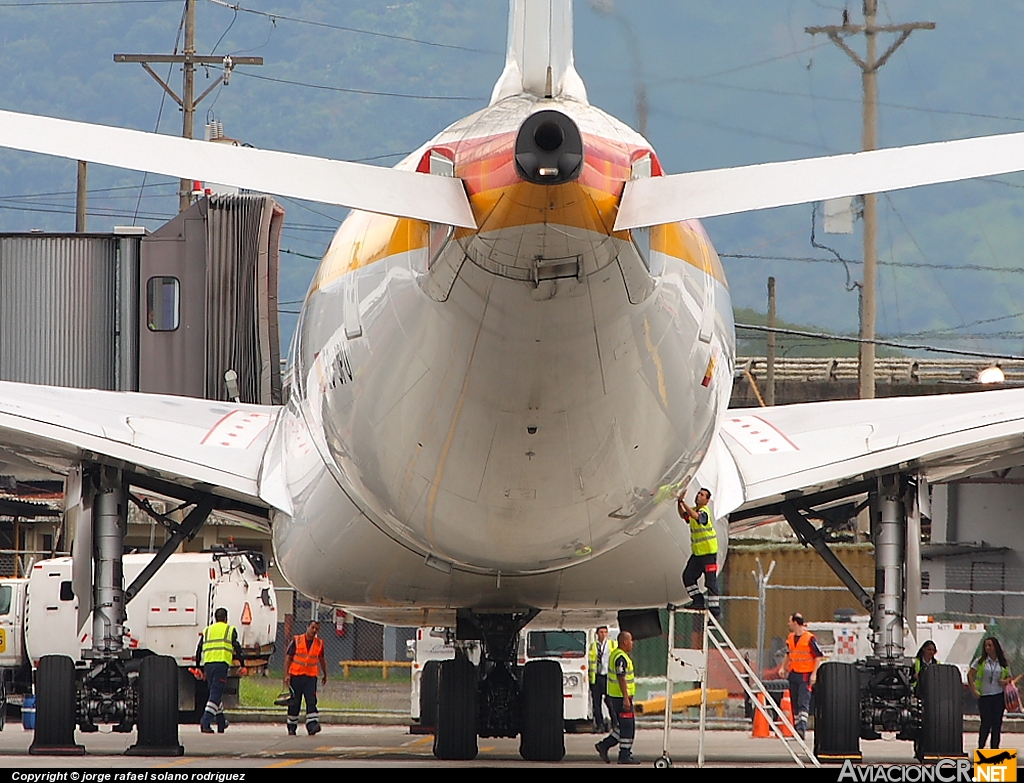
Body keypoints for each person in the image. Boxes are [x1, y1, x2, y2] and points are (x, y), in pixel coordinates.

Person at [195, 607, 245, 734]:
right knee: (215, 694)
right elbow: (237, 648)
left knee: (214, 692)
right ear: (226, 618)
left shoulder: (207, 630)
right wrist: (242, 663)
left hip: (208, 665)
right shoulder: (229, 630)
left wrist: (198, 666)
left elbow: (199, 648)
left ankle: (221, 721)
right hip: (221, 665)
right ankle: (205, 722)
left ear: (215, 618)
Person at [595, 631, 640, 765]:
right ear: (625, 642)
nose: (632, 643)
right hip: (621, 698)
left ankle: (604, 745)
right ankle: (624, 755)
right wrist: (626, 698)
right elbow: (621, 678)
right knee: (628, 727)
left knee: (622, 726)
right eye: (631, 640)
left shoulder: (617, 654)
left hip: (618, 697)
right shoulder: (620, 657)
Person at [677, 487, 721, 618]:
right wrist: (679, 502)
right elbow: (684, 515)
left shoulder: (704, 512)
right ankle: (698, 601)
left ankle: (715, 612)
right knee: (688, 577)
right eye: (698, 494)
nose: (698, 496)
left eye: (702, 495)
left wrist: (683, 502)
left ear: (707, 500)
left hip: (708, 554)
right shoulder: (694, 510)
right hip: (697, 554)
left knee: (710, 583)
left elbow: (695, 516)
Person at [779, 612, 823, 740]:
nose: (788, 624)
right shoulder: (791, 638)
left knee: (803, 701)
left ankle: (801, 728)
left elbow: (818, 656)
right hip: (794, 674)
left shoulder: (809, 638)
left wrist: (814, 674)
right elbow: (789, 654)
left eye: (790, 621)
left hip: (805, 675)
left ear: (795, 622)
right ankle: (797, 727)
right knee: (795, 703)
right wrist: (783, 667)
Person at [284, 620, 328, 736]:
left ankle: (312, 725)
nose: (314, 631)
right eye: (312, 628)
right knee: (294, 702)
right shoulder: (297, 640)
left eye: (316, 629)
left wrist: (325, 674)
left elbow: (322, 659)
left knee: (311, 701)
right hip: (296, 676)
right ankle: (292, 727)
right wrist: (287, 675)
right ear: (307, 627)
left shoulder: (319, 643)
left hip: (310, 678)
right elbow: (288, 657)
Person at [969, 637, 1013, 750]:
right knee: (986, 723)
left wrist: (1005, 681)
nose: (987, 648)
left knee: (996, 724)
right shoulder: (981, 661)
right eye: (986, 646)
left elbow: (1009, 676)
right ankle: (981, 747)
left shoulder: (1002, 662)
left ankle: (995, 749)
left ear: (995, 647)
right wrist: (974, 690)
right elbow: (970, 675)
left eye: (990, 645)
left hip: (998, 696)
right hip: (985, 696)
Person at [588, 626, 616, 733]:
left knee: (610, 701)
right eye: (601, 632)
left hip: (608, 676)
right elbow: (591, 662)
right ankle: (599, 724)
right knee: (596, 703)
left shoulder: (612, 645)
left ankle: (615, 722)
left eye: (605, 632)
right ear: (597, 633)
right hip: (596, 676)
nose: (603, 634)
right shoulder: (593, 646)